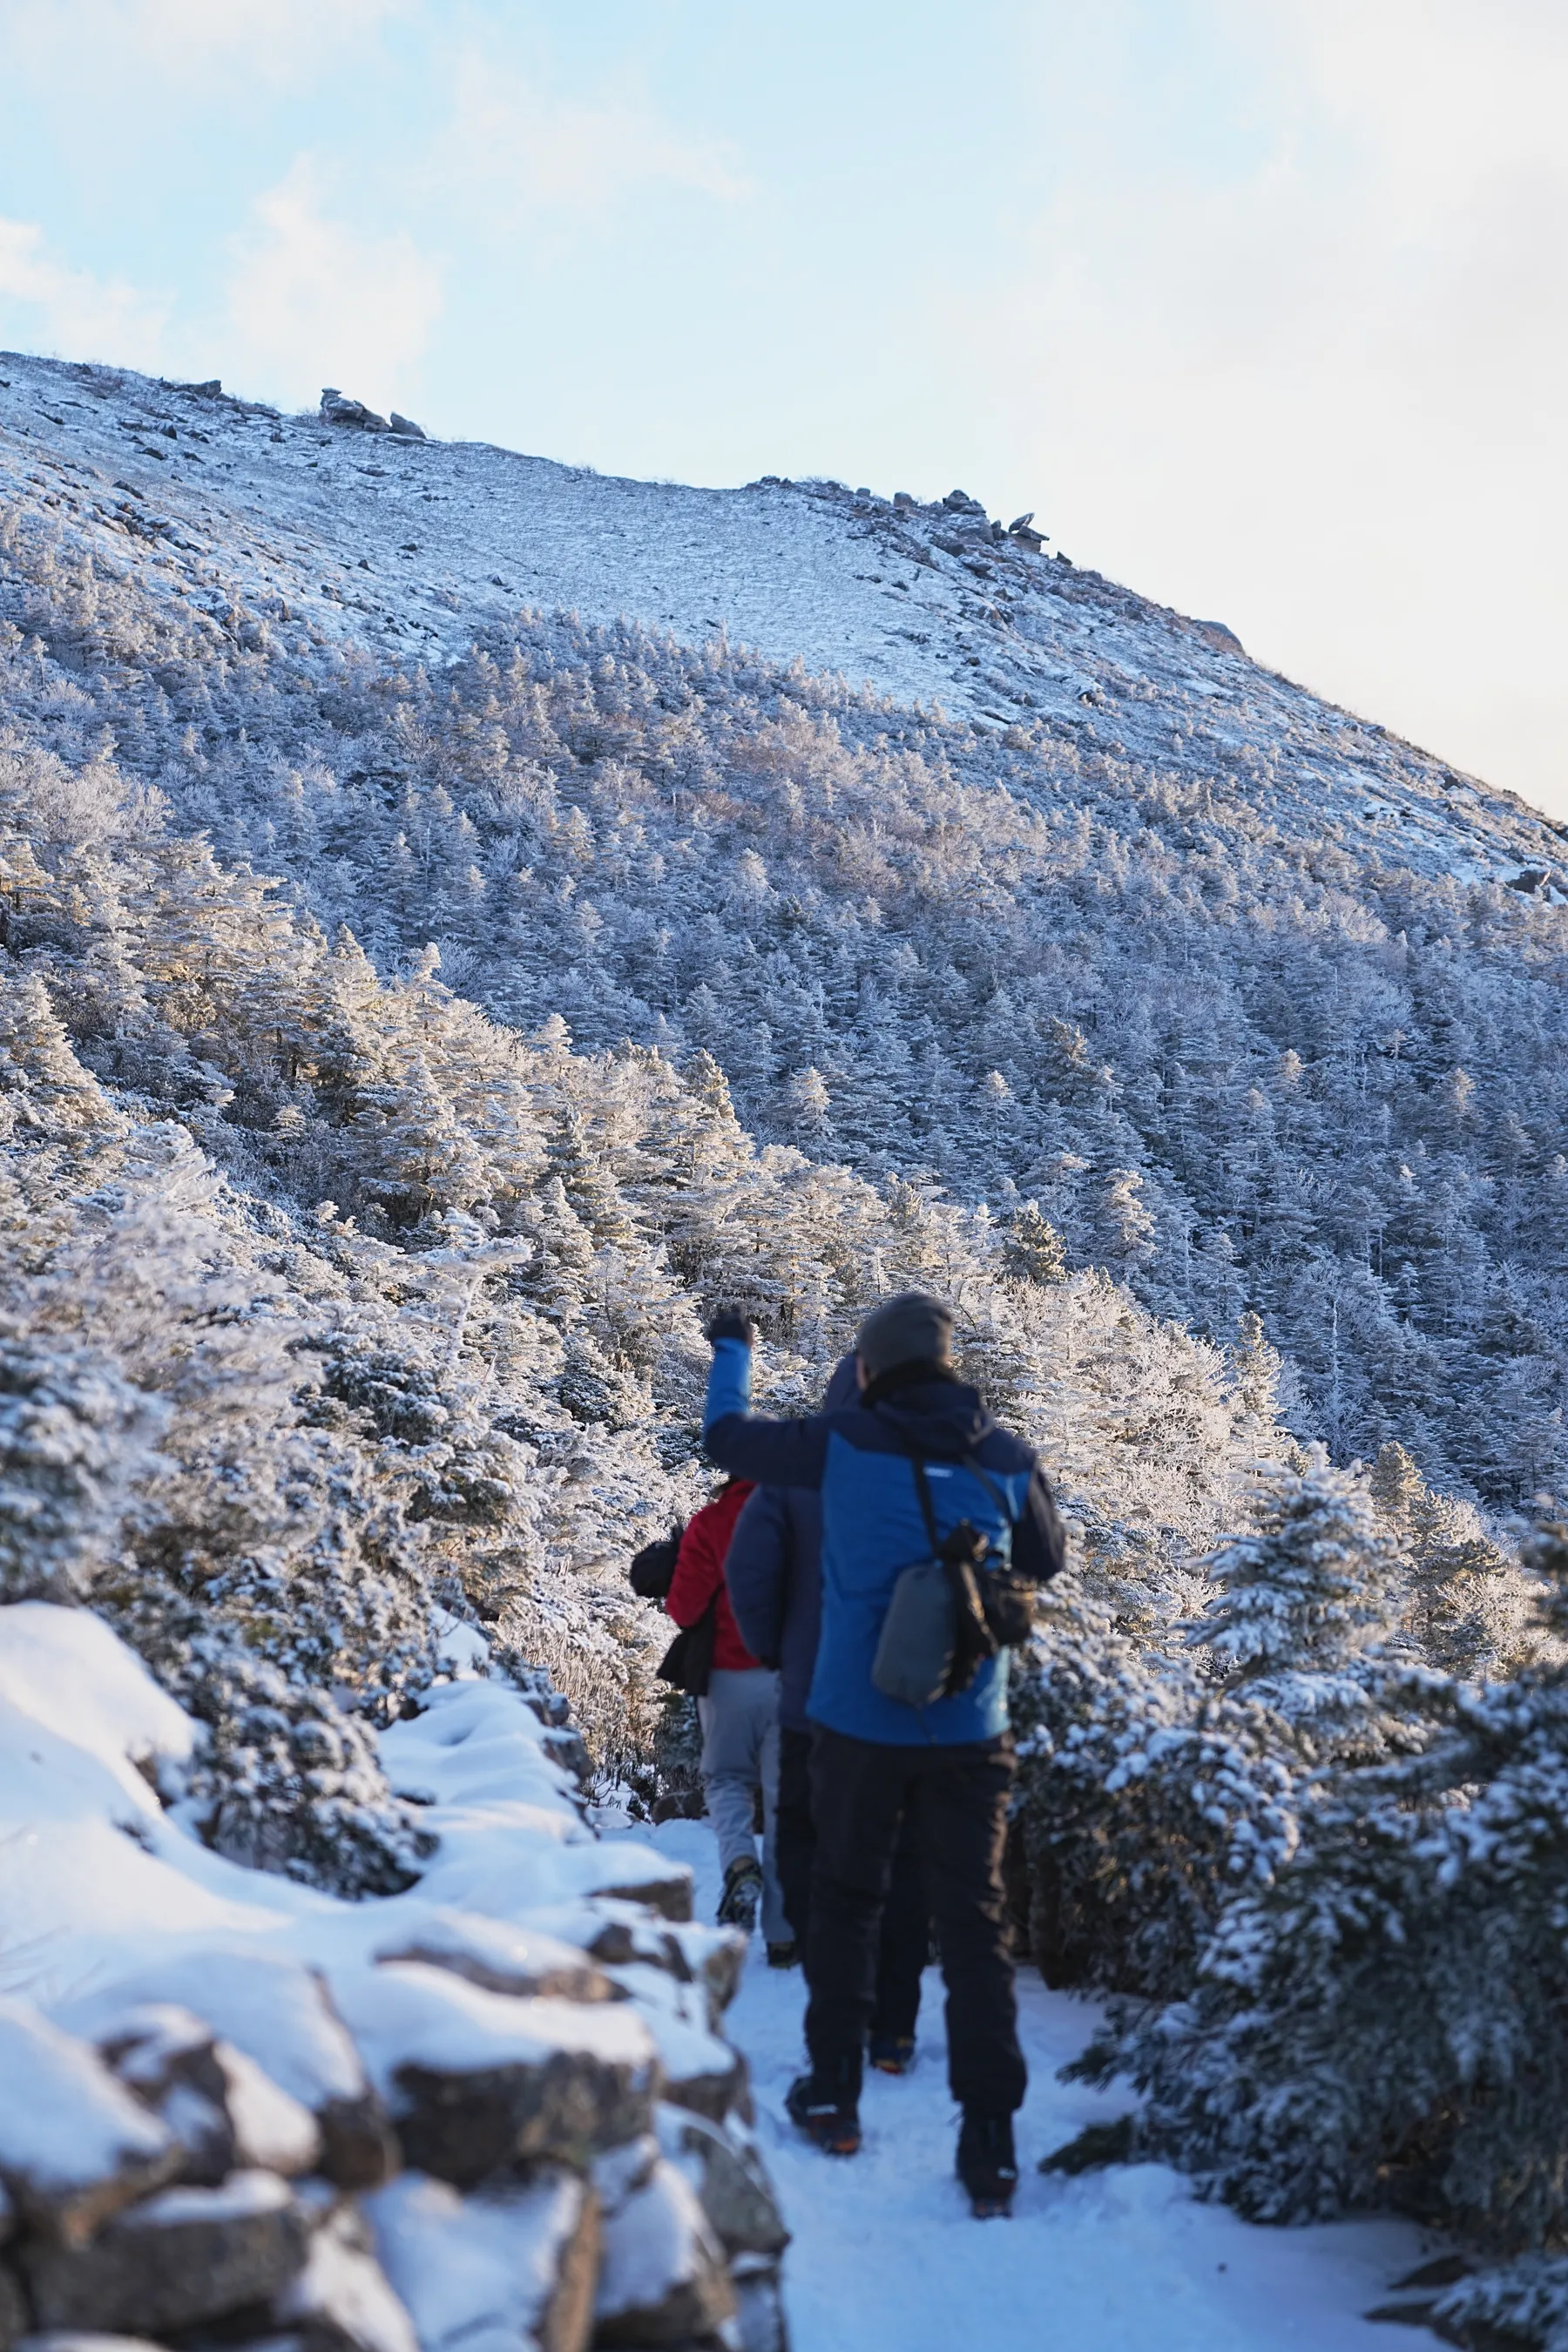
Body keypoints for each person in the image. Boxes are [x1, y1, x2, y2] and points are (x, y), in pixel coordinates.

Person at [701, 1290, 1066, 2218]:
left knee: (846, 1903)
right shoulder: (1007, 1456)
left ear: (867, 1369)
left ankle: (833, 2097)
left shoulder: (842, 1444)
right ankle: (990, 2144)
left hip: (854, 1721)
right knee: (976, 1927)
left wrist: (735, 1344)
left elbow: (727, 1439)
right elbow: (1046, 1556)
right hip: (971, 1727)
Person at [725, 1355, 930, 2065]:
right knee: (900, 1863)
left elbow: (748, 1576)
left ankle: (836, 2039)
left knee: (821, 1859)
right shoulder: (937, 1472)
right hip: (908, 1706)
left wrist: (777, 1650)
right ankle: (895, 2030)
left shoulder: (797, 1475)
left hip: (818, 1703)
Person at [664, 1474, 789, 1945]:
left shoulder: (712, 1522)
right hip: (791, 1677)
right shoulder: (802, 1521)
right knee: (784, 1798)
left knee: (727, 1779)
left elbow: (684, 1608)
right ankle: (783, 1932)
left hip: (725, 1677)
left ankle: (739, 1863)